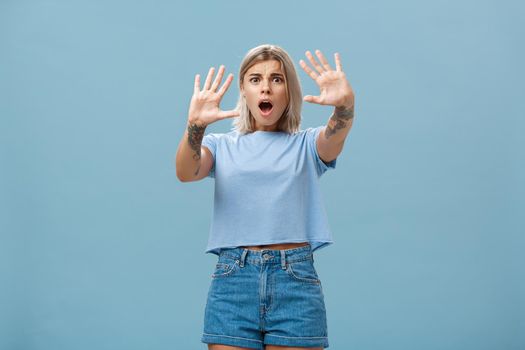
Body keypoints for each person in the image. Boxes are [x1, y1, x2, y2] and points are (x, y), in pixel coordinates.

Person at [175, 44, 355, 350]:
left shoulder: (307, 144)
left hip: (294, 281)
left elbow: (334, 138)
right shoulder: (222, 146)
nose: (266, 88)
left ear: (289, 90)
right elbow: (186, 171)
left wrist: (345, 108)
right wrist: (195, 126)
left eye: (277, 79)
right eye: (255, 79)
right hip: (233, 280)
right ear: (244, 90)